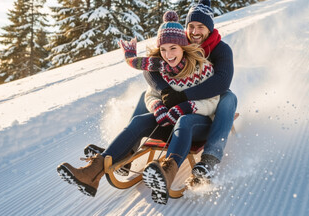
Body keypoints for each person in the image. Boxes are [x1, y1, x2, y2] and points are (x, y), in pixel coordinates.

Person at [57, 11, 220, 204]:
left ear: (183, 47)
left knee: (184, 121)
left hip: (198, 125)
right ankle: (92, 173)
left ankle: (168, 173)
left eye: (173, 48)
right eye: (163, 49)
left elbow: (213, 101)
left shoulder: (202, 68)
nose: (168, 55)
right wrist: (157, 106)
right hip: (169, 122)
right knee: (139, 121)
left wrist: (186, 107)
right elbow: (150, 93)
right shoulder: (161, 69)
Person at [142, 0, 237, 182]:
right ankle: (128, 151)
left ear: (209, 28)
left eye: (200, 26)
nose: (194, 32)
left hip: (209, 98)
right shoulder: (177, 41)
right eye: (191, 26)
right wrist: (165, 91)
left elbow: (222, 81)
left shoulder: (221, 49)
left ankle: (210, 159)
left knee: (229, 98)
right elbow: (150, 66)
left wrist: (184, 96)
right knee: (146, 94)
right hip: (178, 92)